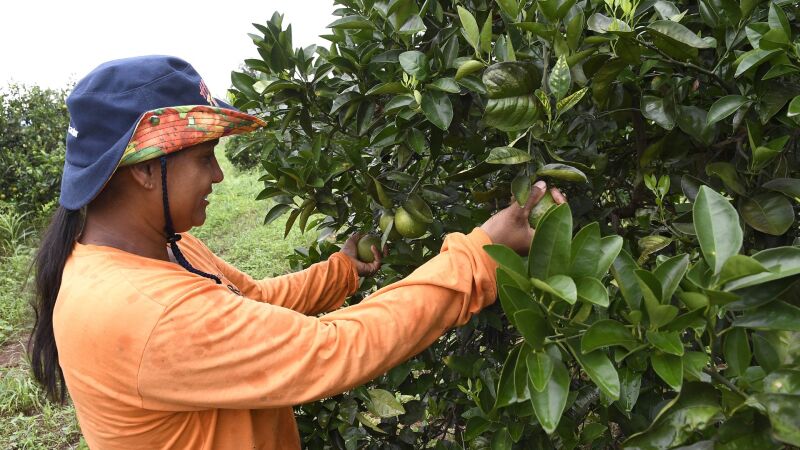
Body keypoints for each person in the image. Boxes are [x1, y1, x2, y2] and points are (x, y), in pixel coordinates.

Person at [28, 55, 565, 449]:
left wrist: (340, 272)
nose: (217, 175)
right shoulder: (147, 310)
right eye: (205, 158)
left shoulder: (154, 250)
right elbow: (334, 349)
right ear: (146, 168)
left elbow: (254, 300)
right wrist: (482, 254)